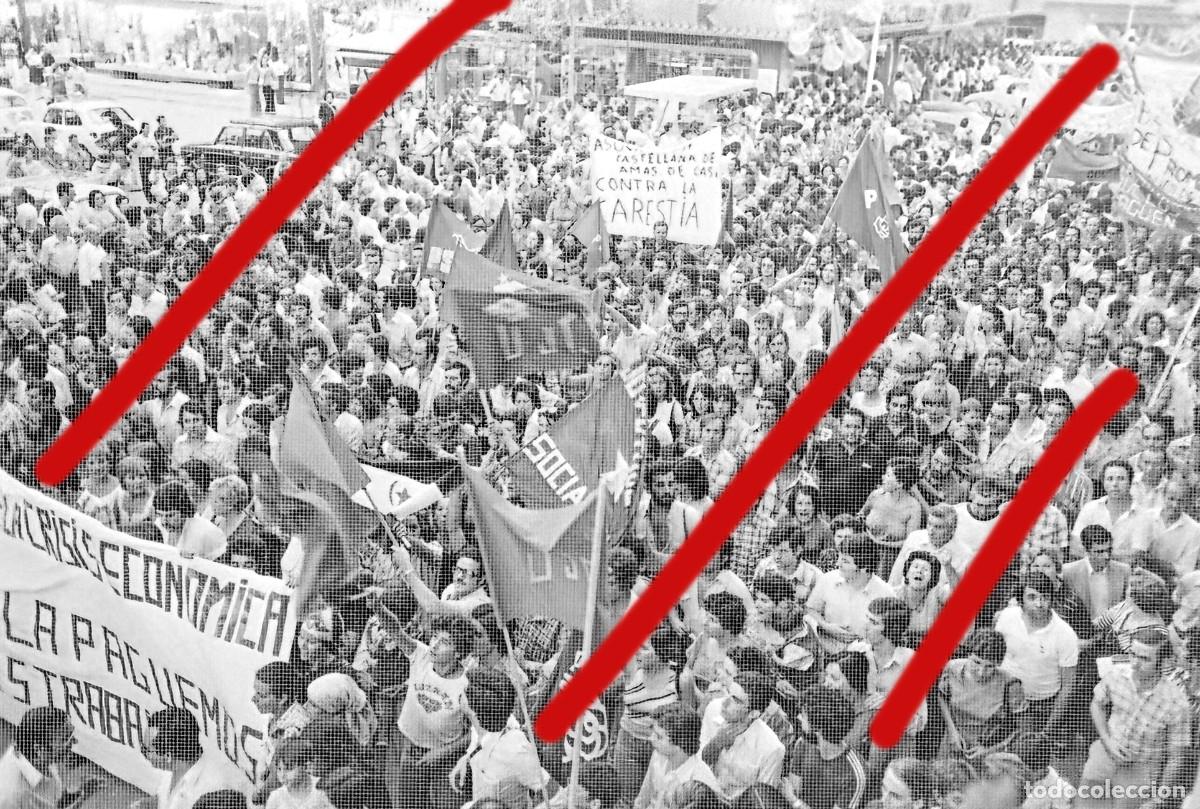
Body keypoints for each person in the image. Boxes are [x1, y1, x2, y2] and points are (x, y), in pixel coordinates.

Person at [1079, 628, 1190, 809]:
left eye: (1144, 658)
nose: (1135, 663)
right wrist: (1107, 741)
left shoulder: (1177, 702)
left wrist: (1159, 799)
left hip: (1140, 772)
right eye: (1133, 654)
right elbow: (1096, 705)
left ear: (1163, 662)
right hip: (1104, 756)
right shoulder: (1116, 675)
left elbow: (1176, 757)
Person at [0, 707, 102, 809]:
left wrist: (81, 793)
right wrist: (83, 796)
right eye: (65, 739)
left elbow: (57, 801)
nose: (74, 741)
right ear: (39, 749)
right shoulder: (20, 795)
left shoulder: (36, 756)